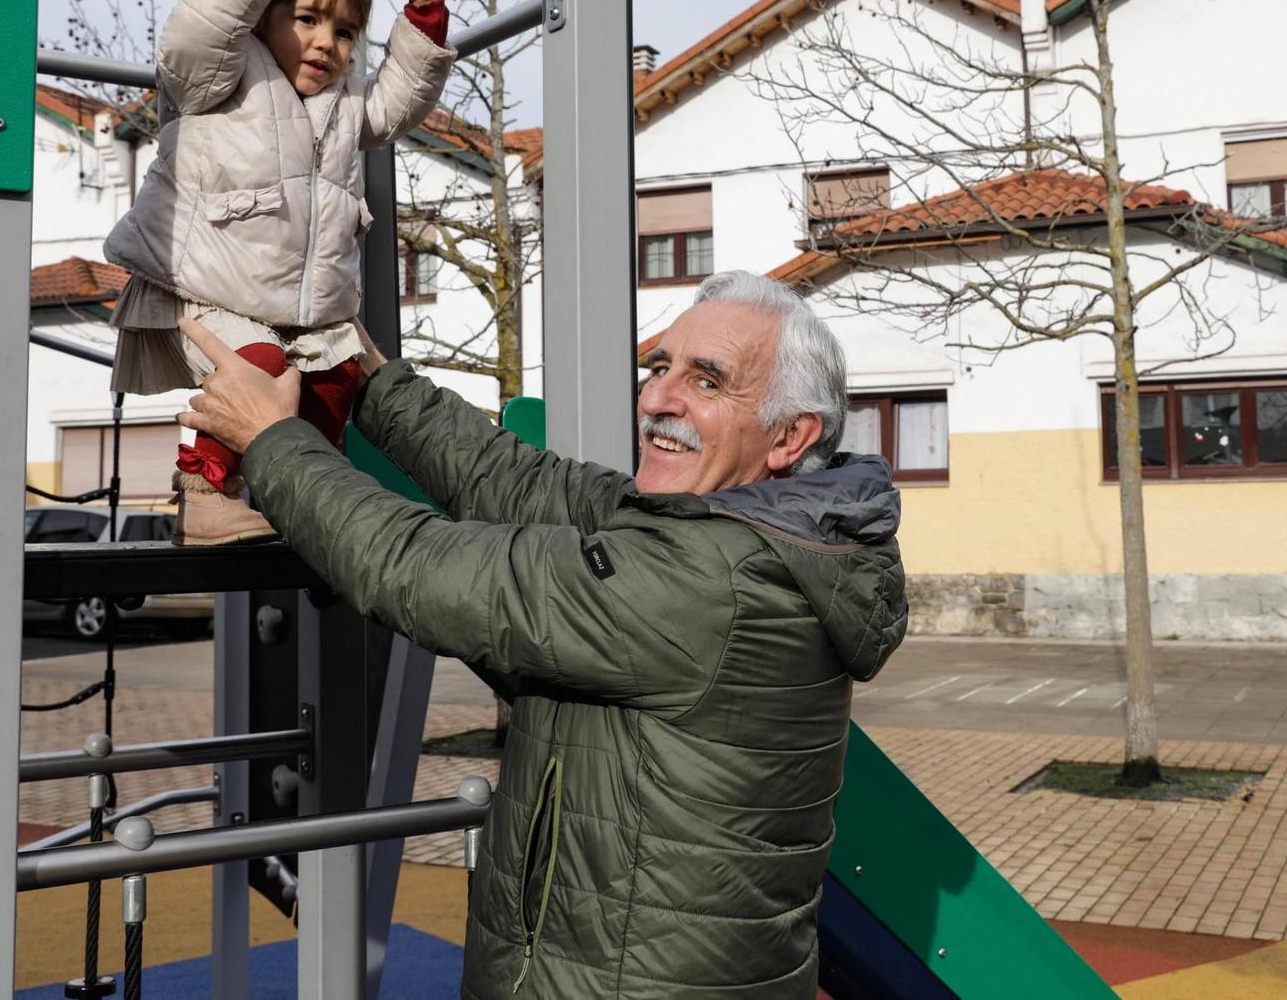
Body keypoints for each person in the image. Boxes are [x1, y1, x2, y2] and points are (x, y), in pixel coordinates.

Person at [180, 270, 909, 998]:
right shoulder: (739, 529)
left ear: (790, 435)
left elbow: (422, 570)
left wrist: (270, 440)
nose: (657, 398)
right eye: (659, 367)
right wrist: (368, 376)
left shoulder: (714, 584)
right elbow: (520, 481)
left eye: (707, 381)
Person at [103, 0, 456, 544]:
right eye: (307, 19)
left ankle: (295, 499)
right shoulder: (218, 80)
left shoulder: (349, 106)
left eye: (346, 32)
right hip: (199, 287)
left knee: (332, 385)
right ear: (261, 17)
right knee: (257, 369)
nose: (327, 42)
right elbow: (195, 35)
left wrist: (427, 7)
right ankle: (204, 494)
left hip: (297, 308)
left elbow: (400, 104)